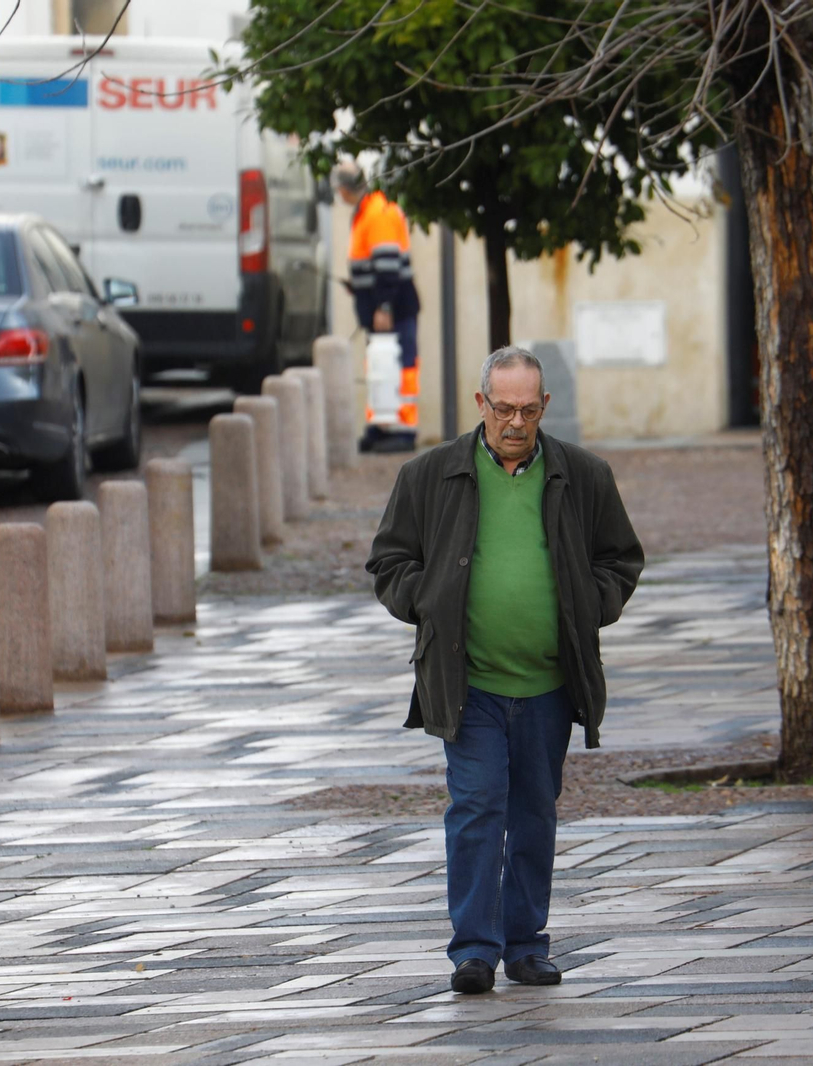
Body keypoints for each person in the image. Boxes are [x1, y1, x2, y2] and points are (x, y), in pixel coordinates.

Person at [366, 346, 644, 995]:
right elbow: (389, 561)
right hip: (469, 682)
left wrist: (587, 606)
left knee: (534, 812)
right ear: (480, 404)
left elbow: (621, 559)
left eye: (527, 409)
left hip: (549, 682)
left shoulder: (583, 475)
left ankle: (526, 944)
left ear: (544, 407)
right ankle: (473, 949)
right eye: (502, 408)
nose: (515, 422)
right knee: (477, 807)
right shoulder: (430, 475)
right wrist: (429, 604)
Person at [333, 161, 422, 452]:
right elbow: (376, 264)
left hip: (393, 308)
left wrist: (383, 304)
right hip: (384, 306)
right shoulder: (368, 211)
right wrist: (359, 287)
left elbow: (387, 265)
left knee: (401, 367)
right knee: (381, 367)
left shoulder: (377, 213)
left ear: (346, 189)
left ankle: (403, 430)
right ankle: (382, 426)